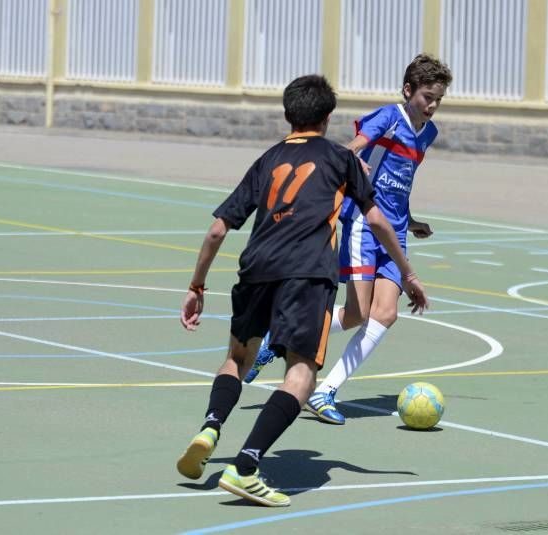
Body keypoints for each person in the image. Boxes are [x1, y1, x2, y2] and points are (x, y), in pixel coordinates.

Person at [175, 74, 428, 507]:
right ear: (328, 118)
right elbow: (379, 221)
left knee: (236, 358)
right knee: (302, 372)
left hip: (255, 268)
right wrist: (407, 274)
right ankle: (247, 466)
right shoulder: (338, 158)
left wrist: (197, 285)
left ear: (288, 114)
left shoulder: (268, 158)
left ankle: (211, 427)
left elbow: (218, 230)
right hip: (307, 274)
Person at [245, 55, 451, 426]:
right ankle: (279, 338)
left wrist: (412, 219)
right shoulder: (389, 118)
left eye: (438, 98)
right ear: (408, 91)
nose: (432, 105)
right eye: (426, 97)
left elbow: (400, 182)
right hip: (362, 222)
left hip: (396, 230)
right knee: (356, 314)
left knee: (385, 314)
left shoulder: (428, 134)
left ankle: (326, 391)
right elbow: (347, 148)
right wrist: (355, 158)